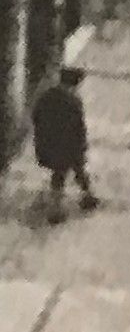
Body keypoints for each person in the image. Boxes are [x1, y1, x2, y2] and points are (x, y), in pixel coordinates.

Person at [31, 66, 98, 220]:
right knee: (74, 171)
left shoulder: (46, 96)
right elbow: (78, 127)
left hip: (48, 143)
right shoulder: (73, 102)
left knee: (62, 173)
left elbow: (35, 116)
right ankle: (62, 206)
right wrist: (82, 145)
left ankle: (75, 200)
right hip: (69, 146)